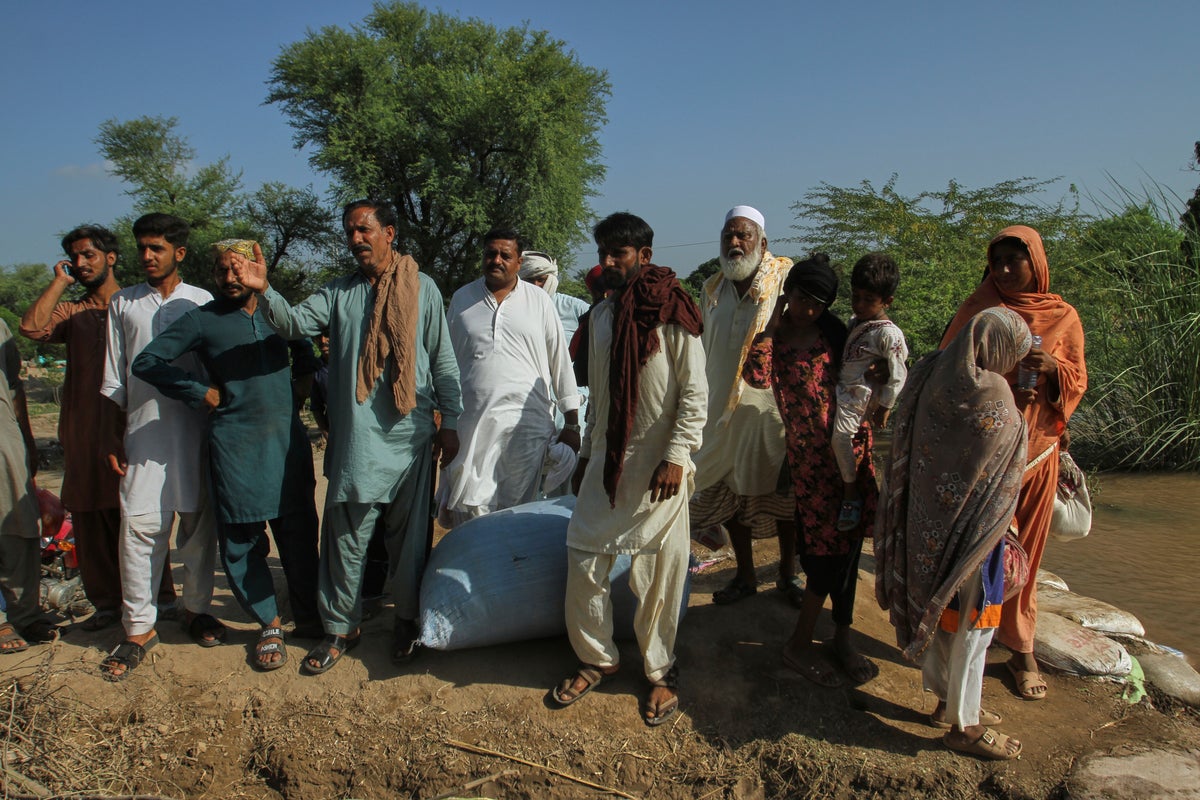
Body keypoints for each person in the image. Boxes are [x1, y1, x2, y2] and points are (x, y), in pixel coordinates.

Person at [230, 198, 462, 674]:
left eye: (364, 230)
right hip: (358, 439)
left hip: (412, 436)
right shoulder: (338, 293)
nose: (356, 239)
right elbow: (293, 323)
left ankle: (407, 620)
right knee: (346, 539)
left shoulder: (424, 288)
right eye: (350, 231)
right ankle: (341, 627)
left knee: (409, 540)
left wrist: (451, 420)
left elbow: (441, 358)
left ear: (390, 233)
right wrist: (264, 289)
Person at [131, 240, 323, 671]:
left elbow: (304, 346)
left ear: (256, 270)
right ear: (213, 277)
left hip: (287, 443)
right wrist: (199, 392)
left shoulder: (278, 314)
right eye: (222, 270)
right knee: (242, 537)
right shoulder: (203, 320)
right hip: (234, 444)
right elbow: (147, 362)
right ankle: (269, 622)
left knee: (297, 531)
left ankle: (309, 617)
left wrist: (300, 390)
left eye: (240, 268)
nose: (231, 277)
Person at [551, 212, 706, 726]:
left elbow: (693, 393)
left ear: (645, 255)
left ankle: (660, 672)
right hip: (611, 462)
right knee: (583, 555)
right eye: (603, 253)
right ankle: (598, 658)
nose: (608, 262)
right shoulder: (599, 317)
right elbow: (601, 398)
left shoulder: (673, 310)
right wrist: (590, 456)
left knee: (659, 574)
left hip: (663, 468)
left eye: (618, 253)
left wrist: (678, 456)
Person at [876, 307, 1031, 760]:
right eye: (1014, 353)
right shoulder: (994, 392)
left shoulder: (930, 372)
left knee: (944, 615)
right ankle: (966, 727)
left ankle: (947, 704)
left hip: (927, 527)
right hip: (974, 533)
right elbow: (1003, 463)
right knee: (976, 624)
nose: (1015, 363)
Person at [940, 225, 1086, 701]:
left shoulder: (1062, 317)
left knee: (1029, 557)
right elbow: (947, 373)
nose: (1003, 270)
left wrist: (1052, 373)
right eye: (996, 261)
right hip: (982, 454)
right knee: (977, 555)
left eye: (1013, 261)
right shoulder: (978, 309)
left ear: (1035, 264)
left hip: (1037, 451)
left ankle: (1021, 646)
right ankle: (962, 655)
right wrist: (996, 385)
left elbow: (1078, 379)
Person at [19, 225, 177, 631]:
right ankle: (107, 604)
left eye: (89, 255)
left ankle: (159, 599)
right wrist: (59, 281)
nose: (81, 263)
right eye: (75, 257)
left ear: (111, 258)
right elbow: (33, 328)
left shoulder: (136, 304)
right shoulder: (73, 312)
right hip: (84, 430)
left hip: (135, 424)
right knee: (89, 514)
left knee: (138, 514)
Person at [741, 255, 878, 687]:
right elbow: (756, 378)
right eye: (802, 297)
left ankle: (841, 635)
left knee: (850, 547)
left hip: (853, 455)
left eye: (818, 302)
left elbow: (871, 377)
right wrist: (771, 329)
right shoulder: (775, 341)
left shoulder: (836, 334)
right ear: (788, 296)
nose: (809, 308)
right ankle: (798, 645)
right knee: (821, 556)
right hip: (811, 466)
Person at [99, 212, 221, 680]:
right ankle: (138, 628)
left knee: (197, 528)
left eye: (157, 249)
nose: (147, 257)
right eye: (143, 248)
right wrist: (115, 436)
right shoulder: (124, 305)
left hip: (196, 434)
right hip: (142, 434)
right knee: (139, 530)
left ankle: (195, 610)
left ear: (180, 253)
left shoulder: (203, 301)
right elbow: (115, 378)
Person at [689, 205, 800, 606]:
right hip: (720, 411)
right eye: (728, 237)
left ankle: (788, 575)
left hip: (770, 412)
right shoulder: (711, 289)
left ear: (763, 243)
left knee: (783, 497)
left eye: (743, 236)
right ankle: (746, 574)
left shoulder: (785, 280)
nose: (735, 243)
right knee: (730, 494)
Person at [438, 229, 580, 524]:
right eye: (491, 254)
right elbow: (445, 362)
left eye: (505, 255)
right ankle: (476, 567)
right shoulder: (463, 299)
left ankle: (512, 567)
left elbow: (560, 360)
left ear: (519, 262)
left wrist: (572, 422)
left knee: (517, 508)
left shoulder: (539, 300)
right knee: (472, 504)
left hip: (526, 424)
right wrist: (443, 417)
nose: (497, 260)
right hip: (472, 423)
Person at [833, 253, 908, 532]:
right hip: (843, 391)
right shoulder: (857, 322)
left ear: (886, 302)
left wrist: (885, 406)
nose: (859, 304)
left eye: (868, 299)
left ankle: (851, 495)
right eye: (856, 296)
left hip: (859, 395)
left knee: (841, 438)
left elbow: (899, 372)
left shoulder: (889, 334)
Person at [0, 320, 55, 653]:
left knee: (18, 522)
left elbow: (14, 384)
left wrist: (27, 441)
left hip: (3, 435)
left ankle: (26, 613)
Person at [518, 250, 591, 345]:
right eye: (529, 280)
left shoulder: (575, 307)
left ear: (551, 279)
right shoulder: (513, 307)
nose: (535, 285)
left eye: (541, 280)